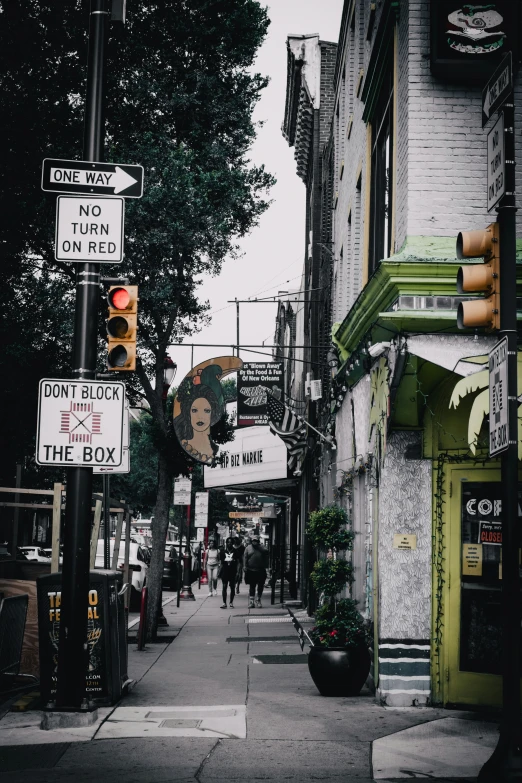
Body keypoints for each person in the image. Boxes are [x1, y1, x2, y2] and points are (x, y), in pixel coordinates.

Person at [244, 534, 269, 609]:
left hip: (260, 569)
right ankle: (251, 601)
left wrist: (259, 548)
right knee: (252, 585)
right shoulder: (248, 548)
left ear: (258, 541)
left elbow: (266, 552)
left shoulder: (262, 547)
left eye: (256, 541)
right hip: (251, 569)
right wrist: (244, 566)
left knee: (260, 585)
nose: (254, 542)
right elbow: (245, 557)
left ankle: (258, 599)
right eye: (253, 541)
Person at [219, 537, 240, 609]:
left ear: (233, 543)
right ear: (226, 543)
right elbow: (221, 563)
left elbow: (238, 562)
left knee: (232, 587)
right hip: (225, 571)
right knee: (224, 586)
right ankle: (224, 602)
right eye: (228, 542)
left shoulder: (236, 551)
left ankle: (231, 602)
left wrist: (238, 572)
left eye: (231, 542)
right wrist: (219, 572)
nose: (229, 543)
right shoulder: (222, 552)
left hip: (233, 571)